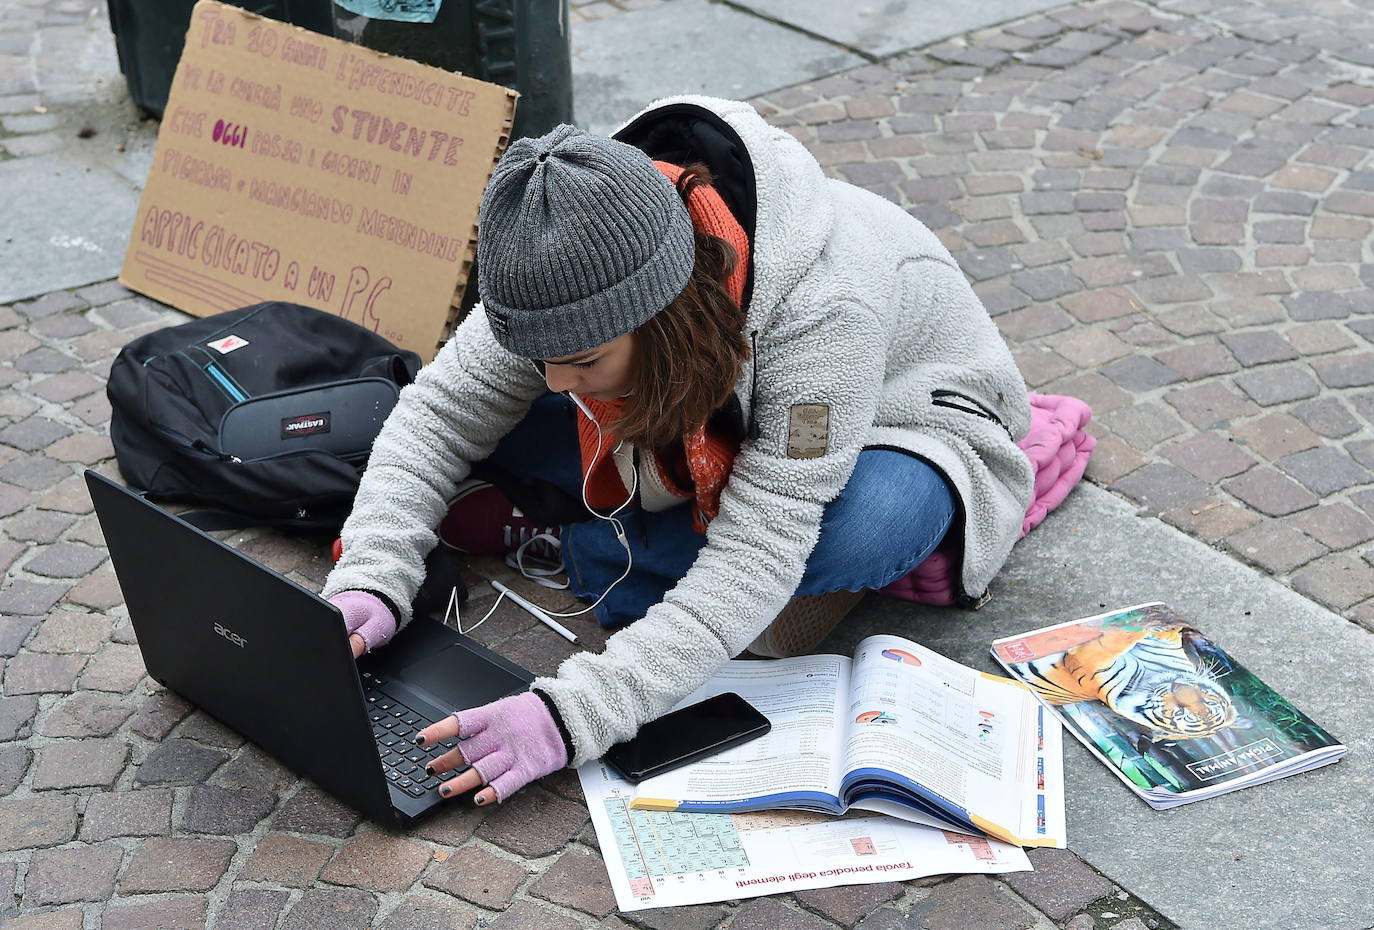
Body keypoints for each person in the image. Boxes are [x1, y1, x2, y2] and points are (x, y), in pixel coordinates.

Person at [322, 95, 1034, 808]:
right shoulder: (570, 245)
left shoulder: (827, 316)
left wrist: (570, 717)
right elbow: (440, 412)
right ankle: (614, 530)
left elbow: (760, 548)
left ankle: (588, 544)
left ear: (662, 317)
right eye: (541, 358)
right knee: (488, 408)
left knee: (869, 524)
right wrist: (372, 570)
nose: (556, 381)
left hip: (901, 417)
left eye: (581, 359)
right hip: (701, 394)